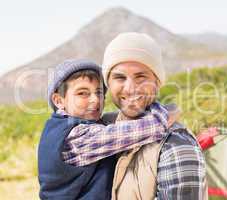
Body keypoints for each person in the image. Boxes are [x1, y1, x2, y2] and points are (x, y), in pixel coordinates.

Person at [38, 59, 177, 200]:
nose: (95, 100)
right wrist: (168, 110)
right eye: (82, 93)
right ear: (59, 101)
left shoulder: (57, 127)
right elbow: (154, 126)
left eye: (99, 93)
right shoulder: (78, 137)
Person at [101, 32, 208, 200]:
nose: (130, 88)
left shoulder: (177, 146)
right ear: (108, 84)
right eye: (119, 77)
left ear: (157, 82)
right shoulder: (101, 130)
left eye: (141, 77)